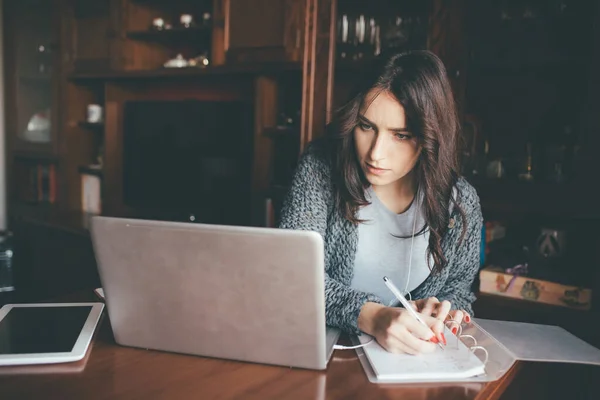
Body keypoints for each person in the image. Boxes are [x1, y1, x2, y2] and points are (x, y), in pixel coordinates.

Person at [279, 50, 483, 355]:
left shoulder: (460, 203)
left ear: (431, 136)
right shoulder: (321, 168)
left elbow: (459, 293)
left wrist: (447, 314)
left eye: (401, 135)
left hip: (408, 371)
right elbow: (291, 276)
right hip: (323, 361)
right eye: (366, 126)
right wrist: (372, 316)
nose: (375, 153)